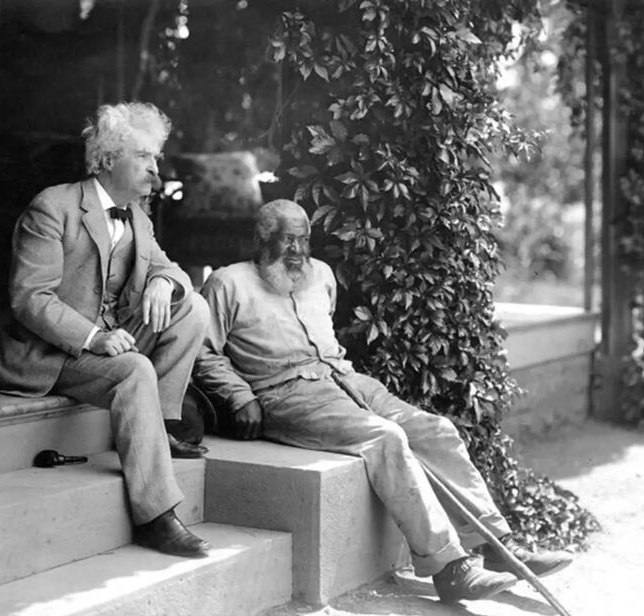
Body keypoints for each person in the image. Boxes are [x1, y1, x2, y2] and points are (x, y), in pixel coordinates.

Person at [193, 199, 573, 602]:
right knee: (384, 437)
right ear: (261, 239)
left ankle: (498, 547)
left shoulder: (320, 274)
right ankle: (449, 568)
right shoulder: (227, 283)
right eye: (287, 241)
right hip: (286, 394)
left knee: (435, 429)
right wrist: (239, 396)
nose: (298, 252)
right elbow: (203, 352)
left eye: (304, 240)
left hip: (346, 379)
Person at [0, 102, 210, 558]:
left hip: (106, 340)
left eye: (155, 158)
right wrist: (95, 337)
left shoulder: (137, 215)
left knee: (192, 307)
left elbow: (173, 270)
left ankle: (156, 428)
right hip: (47, 351)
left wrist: (163, 281)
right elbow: (30, 298)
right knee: (133, 369)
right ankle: (156, 516)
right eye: (145, 157)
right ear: (108, 157)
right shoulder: (53, 206)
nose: (155, 169)